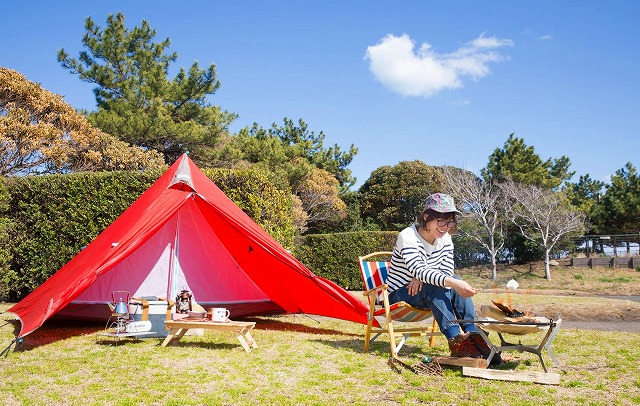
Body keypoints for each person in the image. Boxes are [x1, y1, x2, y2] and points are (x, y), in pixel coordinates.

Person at [387, 193, 501, 363]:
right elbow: (419, 270)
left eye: (449, 222)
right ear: (426, 217)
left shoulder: (445, 238)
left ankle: (474, 335)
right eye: (440, 221)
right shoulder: (407, 236)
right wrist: (424, 276)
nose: (445, 227)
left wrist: (427, 276)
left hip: (424, 291)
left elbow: (446, 270)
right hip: (399, 294)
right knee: (443, 284)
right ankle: (456, 340)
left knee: (452, 279)